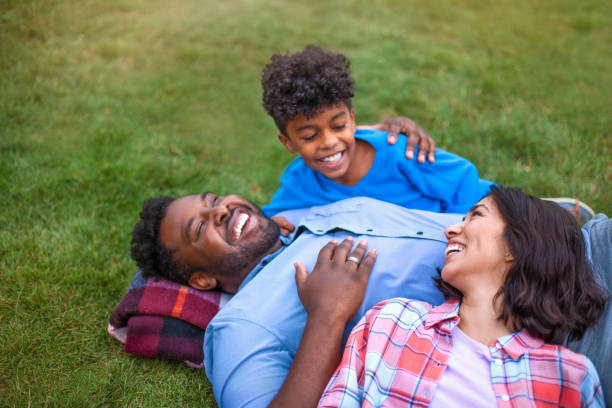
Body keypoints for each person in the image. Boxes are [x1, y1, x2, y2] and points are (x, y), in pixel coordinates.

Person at [129, 190, 612, 407]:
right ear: (201, 281)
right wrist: (327, 315)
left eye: (215, 200)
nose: (222, 212)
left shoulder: (305, 216)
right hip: (557, 336)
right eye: (201, 226)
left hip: (585, 246)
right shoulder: (241, 327)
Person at [316, 187, 607, 407]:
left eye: (476, 216)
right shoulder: (390, 322)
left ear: (517, 246)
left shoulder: (569, 376)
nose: (450, 229)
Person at [260, 45, 494, 220]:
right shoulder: (299, 182)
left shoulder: (401, 153)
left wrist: (460, 235)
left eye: (339, 126)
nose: (329, 142)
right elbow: (271, 219)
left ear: (352, 119)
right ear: (288, 143)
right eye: (310, 136)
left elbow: (464, 179)